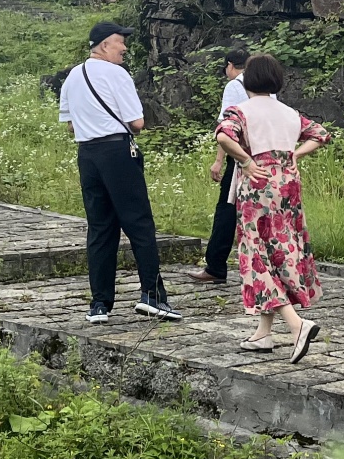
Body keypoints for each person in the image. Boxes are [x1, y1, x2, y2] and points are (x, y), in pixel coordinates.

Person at [56, 21, 179, 323]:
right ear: (103, 45)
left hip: (87, 155)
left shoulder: (72, 76)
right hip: (117, 152)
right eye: (119, 42)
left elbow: (71, 124)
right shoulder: (116, 74)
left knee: (100, 227)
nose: (124, 48)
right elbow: (137, 122)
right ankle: (152, 295)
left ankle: (100, 304)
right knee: (139, 223)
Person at [216, 53, 327, 362]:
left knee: (255, 254)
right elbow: (320, 134)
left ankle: (296, 325)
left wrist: (246, 160)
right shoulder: (290, 112)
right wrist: (296, 154)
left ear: (248, 80)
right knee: (280, 250)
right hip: (287, 184)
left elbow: (224, 136)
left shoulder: (241, 111)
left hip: (258, 186)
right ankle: (263, 334)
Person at [186, 47, 250, 287]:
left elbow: (227, 127)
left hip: (239, 155)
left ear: (231, 66)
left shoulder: (235, 85)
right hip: (263, 154)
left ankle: (215, 266)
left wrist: (219, 159)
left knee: (226, 208)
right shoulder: (264, 84)